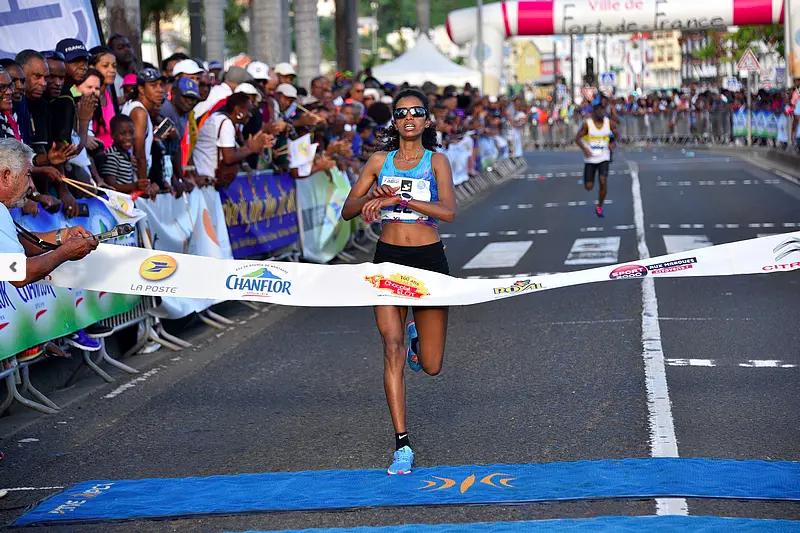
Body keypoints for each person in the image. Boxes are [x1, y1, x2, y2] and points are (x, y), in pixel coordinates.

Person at [341, 88, 456, 475]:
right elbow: (348, 211)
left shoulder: (436, 161)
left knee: (433, 365)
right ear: (395, 120)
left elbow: (448, 212)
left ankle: (417, 340)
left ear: (427, 120)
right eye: (402, 112)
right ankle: (402, 445)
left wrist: (402, 201)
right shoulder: (378, 161)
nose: (409, 118)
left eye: (416, 112)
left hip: (428, 260)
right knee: (390, 347)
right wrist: (373, 197)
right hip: (388, 260)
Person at [192, 92, 271, 187]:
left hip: (205, 178)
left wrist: (255, 144)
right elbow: (229, 157)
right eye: (248, 111)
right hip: (204, 180)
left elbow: (234, 150)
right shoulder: (225, 123)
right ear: (238, 110)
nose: (250, 115)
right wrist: (251, 150)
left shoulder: (220, 118)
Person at [121, 67, 165, 193]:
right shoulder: (140, 112)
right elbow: (139, 153)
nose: (160, 90)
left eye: (161, 85)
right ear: (141, 89)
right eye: (153, 85)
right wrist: (144, 185)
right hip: (132, 181)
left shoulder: (135, 106)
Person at [575, 102, 616, 218]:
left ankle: (599, 206)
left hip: (604, 157)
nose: (600, 113)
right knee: (589, 186)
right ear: (593, 113)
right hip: (591, 159)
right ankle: (588, 181)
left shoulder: (609, 123)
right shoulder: (588, 125)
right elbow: (577, 138)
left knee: (603, 181)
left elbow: (617, 134)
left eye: (602, 111)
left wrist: (613, 143)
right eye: (598, 111)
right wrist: (585, 150)